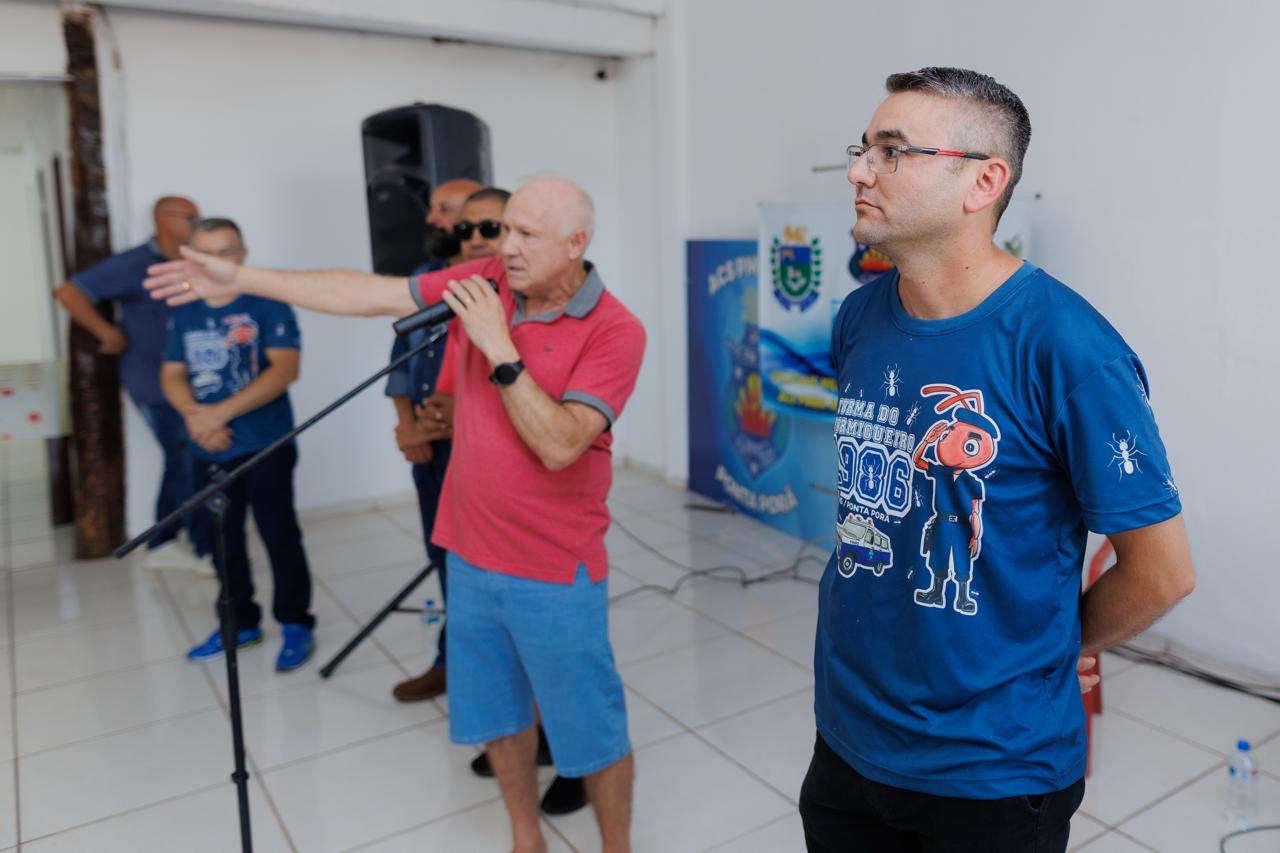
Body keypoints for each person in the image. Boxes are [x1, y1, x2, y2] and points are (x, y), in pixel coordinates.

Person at [146, 176, 645, 853]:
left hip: (554, 568)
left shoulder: (616, 329)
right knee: (499, 716)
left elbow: (560, 445)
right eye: (505, 229)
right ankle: (526, 838)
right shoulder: (487, 279)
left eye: (526, 234)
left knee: (591, 732)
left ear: (575, 243)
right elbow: (365, 292)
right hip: (469, 554)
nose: (506, 246)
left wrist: (499, 348)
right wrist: (242, 277)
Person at [801, 67, 1196, 853]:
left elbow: (1162, 571)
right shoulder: (859, 318)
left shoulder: (1068, 347)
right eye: (862, 149)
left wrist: (1052, 647)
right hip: (847, 739)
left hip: (993, 771)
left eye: (891, 151)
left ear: (983, 181)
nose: (859, 171)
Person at [159, 218, 316, 672]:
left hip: (266, 445)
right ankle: (240, 624)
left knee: (278, 534)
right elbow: (172, 374)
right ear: (191, 259)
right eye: (205, 253)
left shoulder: (267, 301)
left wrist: (218, 414)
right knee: (221, 541)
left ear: (243, 254)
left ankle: (295, 622)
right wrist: (196, 417)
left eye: (226, 251)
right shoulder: (185, 309)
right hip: (208, 448)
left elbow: (284, 369)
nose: (216, 261)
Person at [389, 187, 512, 703]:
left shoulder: (519, 293)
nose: (469, 235)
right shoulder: (433, 280)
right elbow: (401, 363)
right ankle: (454, 660)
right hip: (432, 452)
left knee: (491, 575)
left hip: (485, 460)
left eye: (485, 226)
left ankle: (502, 679)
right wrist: (408, 427)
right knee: (445, 561)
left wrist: (461, 420)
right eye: (462, 227)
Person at [55, 195, 212, 571]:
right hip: (153, 383)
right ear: (164, 220)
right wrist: (107, 333)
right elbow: (69, 292)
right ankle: (192, 545)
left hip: (195, 382)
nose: (197, 222)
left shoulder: (196, 261)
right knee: (186, 458)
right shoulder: (136, 263)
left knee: (188, 458)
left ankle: (170, 540)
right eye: (190, 216)